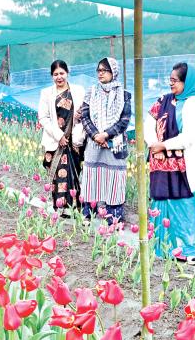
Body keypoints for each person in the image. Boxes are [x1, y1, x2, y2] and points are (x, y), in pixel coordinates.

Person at [145, 62, 195, 264]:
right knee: (161, 202)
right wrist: (153, 145)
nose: (171, 84)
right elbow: (149, 123)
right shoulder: (163, 100)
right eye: (170, 80)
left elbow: (189, 137)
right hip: (160, 163)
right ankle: (160, 246)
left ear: (186, 81)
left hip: (184, 166)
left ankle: (183, 249)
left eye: (175, 81)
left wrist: (163, 145)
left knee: (182, 203)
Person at [78, 57, 131, 224]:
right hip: (94, 144)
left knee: (115, 178)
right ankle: (89, 213)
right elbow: (85, 117)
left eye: (104, 70)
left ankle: (114, 216)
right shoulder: (91, 92)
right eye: (98, 70)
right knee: (92, 176)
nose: (100, 73)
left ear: (113, 72)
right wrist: (95, 135)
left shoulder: (123, 95)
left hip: (114, 144)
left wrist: (106, 135)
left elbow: (124, 120)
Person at [38, 60, 86, 213]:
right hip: (55, 141)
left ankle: (73, 208)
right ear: (52, 76)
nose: (59, 77)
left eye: (62, 73)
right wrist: (59, 136)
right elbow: (43, 118)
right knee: (58, 175)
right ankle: (59, 207)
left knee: (73, 174)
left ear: (67, 73)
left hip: (74, 141)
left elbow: (85, 111)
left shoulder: (78, 91)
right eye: (55, 74)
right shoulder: (46, 93)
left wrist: (80, 114)